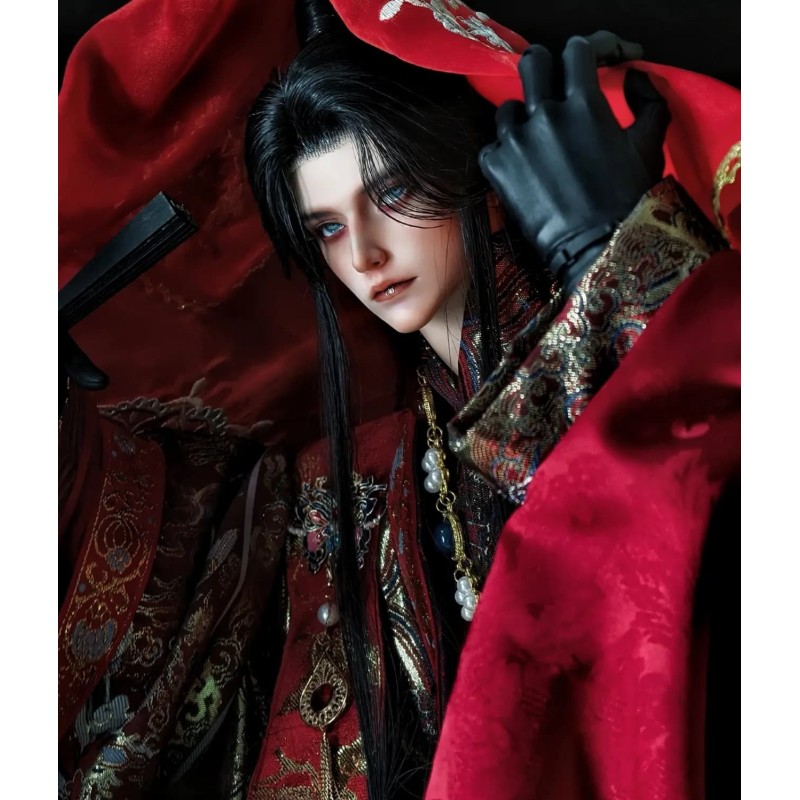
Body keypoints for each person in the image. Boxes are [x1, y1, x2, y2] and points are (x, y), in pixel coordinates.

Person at [242, 2, 740, 799]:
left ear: (480, 175)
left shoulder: (613, 331)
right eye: (328, 228)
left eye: (392, 190)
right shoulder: (370, 477)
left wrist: (608, 253)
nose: (365, 254)